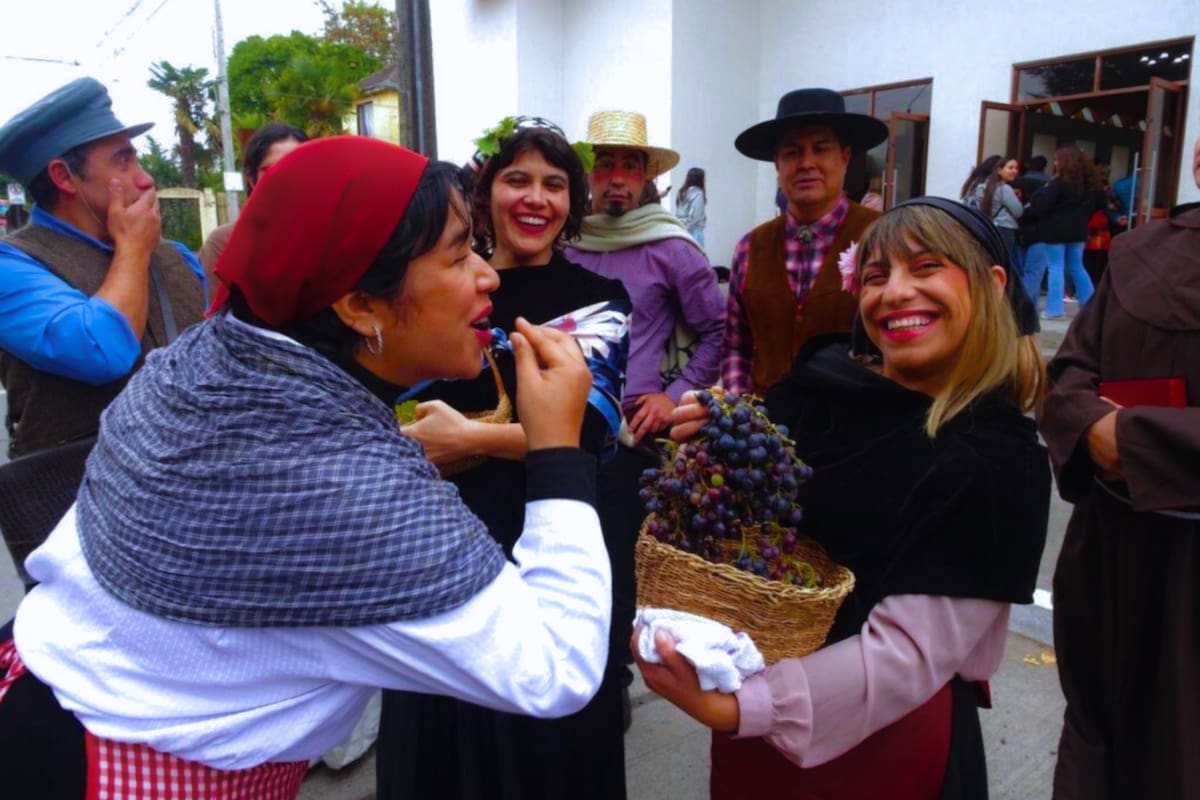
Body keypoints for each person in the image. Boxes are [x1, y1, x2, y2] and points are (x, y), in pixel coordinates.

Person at [0, 136, 612, 798]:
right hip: (114, 766)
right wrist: (557, 449)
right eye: (459, 254)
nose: (488, 276)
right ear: (360, 305)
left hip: (39, 689)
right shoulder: (343, 482)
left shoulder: (205, 360)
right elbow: (555, 667)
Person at [637, 198, 1050, 799]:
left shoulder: (995, 459)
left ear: (992, 285)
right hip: (752, 722)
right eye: (877, 276)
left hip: (878, 741)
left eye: (926, 267)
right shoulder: (821, 385)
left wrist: (743, 709)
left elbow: (905, 656)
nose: (895, 292)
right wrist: (721, 437)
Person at [376, 118, 632, 799]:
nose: (535, 199)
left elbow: (588, 433)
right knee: (445, 721)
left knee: (554, 702)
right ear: (486, 193)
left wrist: (468, 439)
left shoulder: (599, 302)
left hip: (557, 520)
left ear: (572, 203)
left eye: (554, 184)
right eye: (517, 180)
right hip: (443, 534)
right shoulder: (442, 286)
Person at [1038, 136, 1200, 800]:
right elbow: (1070, 371)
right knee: (1103, 744)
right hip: (1113, 552)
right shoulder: (1140, 253)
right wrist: (1085, 424)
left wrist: (1130, 438)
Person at [565, 109, 725, 720]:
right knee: (568, 555)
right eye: (604, 164)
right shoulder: (566, 239)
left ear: (646, 178)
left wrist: (674, 393)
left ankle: (612, 679)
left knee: (618, 561)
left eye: (629, 166)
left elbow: (716, 330)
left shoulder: (671, 249)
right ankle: (572, 668)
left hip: (631, 436)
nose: (616, 177)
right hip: (558, 427)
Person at [0, 77, 205, 458]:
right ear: (64, 176)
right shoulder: (11, 265)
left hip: (194, 479)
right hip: (70, 488)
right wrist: (132, 249)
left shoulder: (176, 256)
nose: (145, 178)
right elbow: (101, 351)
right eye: (123, 161)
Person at [722, 88, 885, 396]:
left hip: (851, 418)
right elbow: (735, 345)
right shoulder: (749, 248)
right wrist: (739, 407)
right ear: (777, 164)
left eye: (821, 149)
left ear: (845, 157)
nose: (806, 163)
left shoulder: (881, 239)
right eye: (792, 152)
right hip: (763, 419)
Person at [198, 122, 308, 286]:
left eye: (296, 166)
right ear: (251, 179)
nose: (285, 177)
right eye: (272, 169)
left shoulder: (334, 236)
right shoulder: (224, 243)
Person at [1022, 145, 1104, 319]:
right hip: (1079, 230)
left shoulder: (1058, 183)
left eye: (1056, 160)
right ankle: (1090, 307)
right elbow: (1099, 205)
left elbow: (1041, 205)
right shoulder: (1091, 185)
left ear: (1064, 162)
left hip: (1055, 230)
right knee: (1077, 267)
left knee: (1055, 267)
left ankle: (1054, 309)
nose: (1054, 163)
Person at [961, 155, 1023, 264]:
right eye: (1010, 168)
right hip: (1005, 228)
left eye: (1016, 168)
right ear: (999, 170)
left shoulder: (981, 187)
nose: (1014, 171)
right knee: (1003, 261)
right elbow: (1018, 212)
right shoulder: (1005, 189)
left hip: (988, 226)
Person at [675, 166, 707, 247]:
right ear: (699, 179)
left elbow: (679, 213)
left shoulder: (681, 192)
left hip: (681, 231)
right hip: (694, 232)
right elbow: (696, 216)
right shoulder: (698, 193)